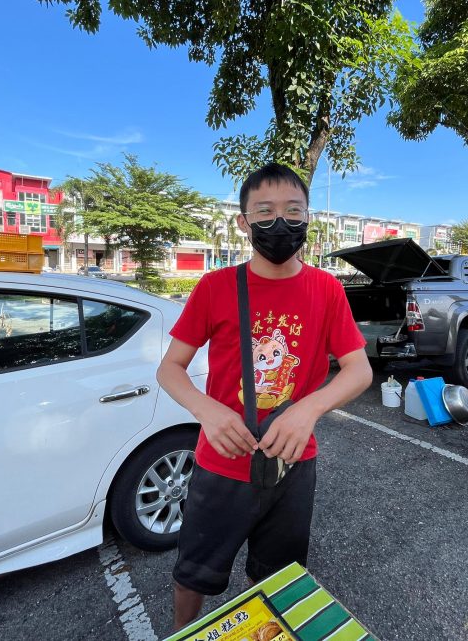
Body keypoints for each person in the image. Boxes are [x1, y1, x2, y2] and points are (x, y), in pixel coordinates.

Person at [156, 163, 372, 631]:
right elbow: (170, 369)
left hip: (292, 465)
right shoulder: (215, 287)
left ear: (309, 219)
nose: (281, 223)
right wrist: (206, 410)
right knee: (193, 575)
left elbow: (359, 369)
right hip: (221, 462)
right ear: (243, 223)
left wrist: (311, 409)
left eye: (293, 212)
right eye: (265, 212)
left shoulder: (327, 289)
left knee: (279, 581)